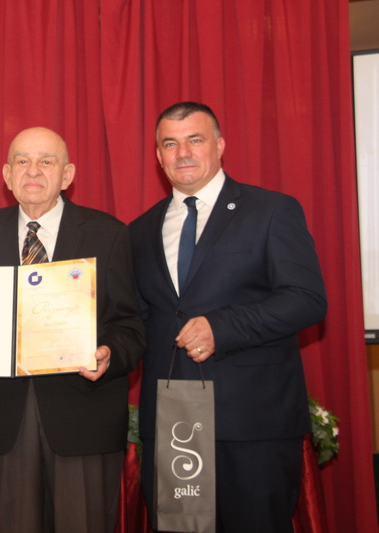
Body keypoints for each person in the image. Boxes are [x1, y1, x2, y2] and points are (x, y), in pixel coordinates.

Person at [129, 101, 327, 532]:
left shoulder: (271, 210)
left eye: (195, 140)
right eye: (170, 144)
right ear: (158, 156)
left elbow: (307, 299)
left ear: (219, 145)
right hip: (173, 426)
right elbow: (138, 320)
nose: (183, 153)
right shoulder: (139, 231)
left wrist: (222, 326)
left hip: (254, 422)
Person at [0, 127, 145, 532]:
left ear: (67, 175)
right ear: (7, 175)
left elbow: (131, 325)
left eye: (47, 161)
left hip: (85, 419)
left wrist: (110, 354)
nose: (33, 170)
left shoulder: (108, 233)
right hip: (7, 419)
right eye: (22, 161)